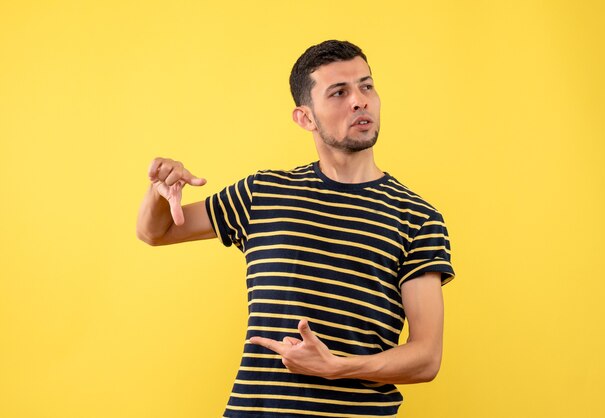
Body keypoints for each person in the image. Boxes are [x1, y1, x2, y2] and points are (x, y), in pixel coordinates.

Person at [137, 40, 455, 418]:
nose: (359, 101)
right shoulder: (263, 193)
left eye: (366, 86)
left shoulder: (417, 217)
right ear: (305, 118)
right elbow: (156, 232)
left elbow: (425, 358)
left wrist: (337, 367)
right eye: (339, 92)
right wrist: (158, 194)